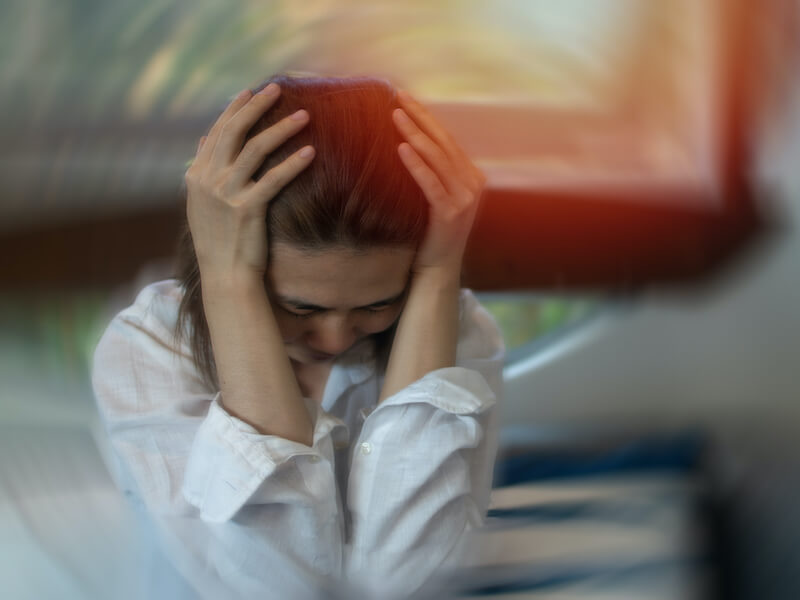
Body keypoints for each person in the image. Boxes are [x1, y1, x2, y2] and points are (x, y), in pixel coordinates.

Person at [92, 74, 503, 599]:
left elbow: (409, 585)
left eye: (379, 303)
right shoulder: (147, 348)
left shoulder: (458, 330)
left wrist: (441, 270)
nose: (334, 339)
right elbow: (277, 590)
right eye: (298, 307)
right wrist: (229, 282)